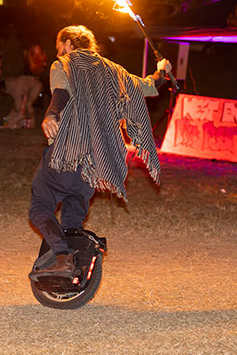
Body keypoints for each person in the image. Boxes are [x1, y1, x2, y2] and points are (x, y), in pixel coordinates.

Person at [28, 25, 170, 278]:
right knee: (73, 213)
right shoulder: (112, 69)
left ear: (70, 44)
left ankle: (62, 258)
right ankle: (73, 261)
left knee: (40, 206)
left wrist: (50, 114)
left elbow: (61, 91)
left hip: (69, 152)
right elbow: (146, 87)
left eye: (59, 46)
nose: (58, 51)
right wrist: (162, 74)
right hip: (98, 162)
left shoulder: (64, 63)